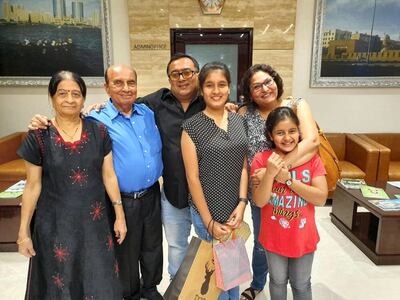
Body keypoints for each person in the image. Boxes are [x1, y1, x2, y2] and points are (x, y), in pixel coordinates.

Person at [27, 65, 164, 300]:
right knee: (126, 255)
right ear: (106, 87)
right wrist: (41, 121)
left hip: (152, 195)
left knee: (152, 249)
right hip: (122, 199)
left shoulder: (148, 113)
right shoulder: (96, 118)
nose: (126, 88)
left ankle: (151, 290)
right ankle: (130, 294)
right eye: (118, 83)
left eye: (131, 82)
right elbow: (68, 121)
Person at [17, 70, 127, 299]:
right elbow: (32, 186)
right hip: (55, 227)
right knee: (61, 282)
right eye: (62, 93)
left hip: (94, 226)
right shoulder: (38, 136)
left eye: (76, 94)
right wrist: (23, 232)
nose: (69, 99)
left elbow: (109, 176)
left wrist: (119, 215)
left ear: (83, 98)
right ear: (51, 97)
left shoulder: (99, 131)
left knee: (99, 279)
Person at [238, 64, 319, 300]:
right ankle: (258, 282)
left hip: (295, 188)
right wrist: (264, 176)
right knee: (264, 241)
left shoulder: (296, 104)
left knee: (295, 234)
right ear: (249, 93)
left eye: (268, 82)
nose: (264, 89)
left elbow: (312, 142)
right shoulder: (244, 113)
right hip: (261, 190)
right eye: (256, 86)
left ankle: (298, 282)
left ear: (276, 81)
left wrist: (273, 170)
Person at [181, 62, 248, 300]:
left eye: (221, 85)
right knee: (213, 282)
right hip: (206, 214)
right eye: (209, 85)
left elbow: (243, 166)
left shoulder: (240, 121)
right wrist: (208, 222)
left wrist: (242, 203)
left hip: (234, 211)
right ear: (201, 89)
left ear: (229, 88)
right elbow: (192, 178)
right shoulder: (192, 127)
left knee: (233, 274)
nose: (216, 90)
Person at [251, 107, 328, 300]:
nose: (287, 138)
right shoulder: (261, 160)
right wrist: (270, 173)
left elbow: (320, 198)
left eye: (292, 131)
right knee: (277, 281)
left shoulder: (312, 159)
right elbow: (260, 202)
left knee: (301, 284)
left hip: (303, 235)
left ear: (299, 132)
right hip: (274, 237)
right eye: (280, 132)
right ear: (270, 135)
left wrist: (287, 180)